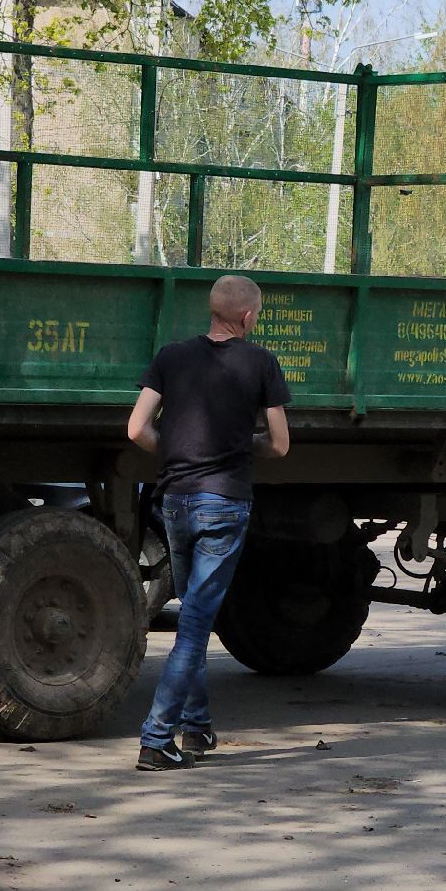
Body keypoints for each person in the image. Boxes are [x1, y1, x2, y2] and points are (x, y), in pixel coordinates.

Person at [127, 275, 291, 771]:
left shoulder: (171, 356)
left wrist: (177, 453)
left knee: (196, 615)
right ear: (246, 317)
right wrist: (241, 448)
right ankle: (156, 740)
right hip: (225, 504)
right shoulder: (260, 361)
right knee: (195, 626)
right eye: (256, 315)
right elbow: (280, 444)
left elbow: (136, 428)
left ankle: (196, 728)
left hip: (174, 501)